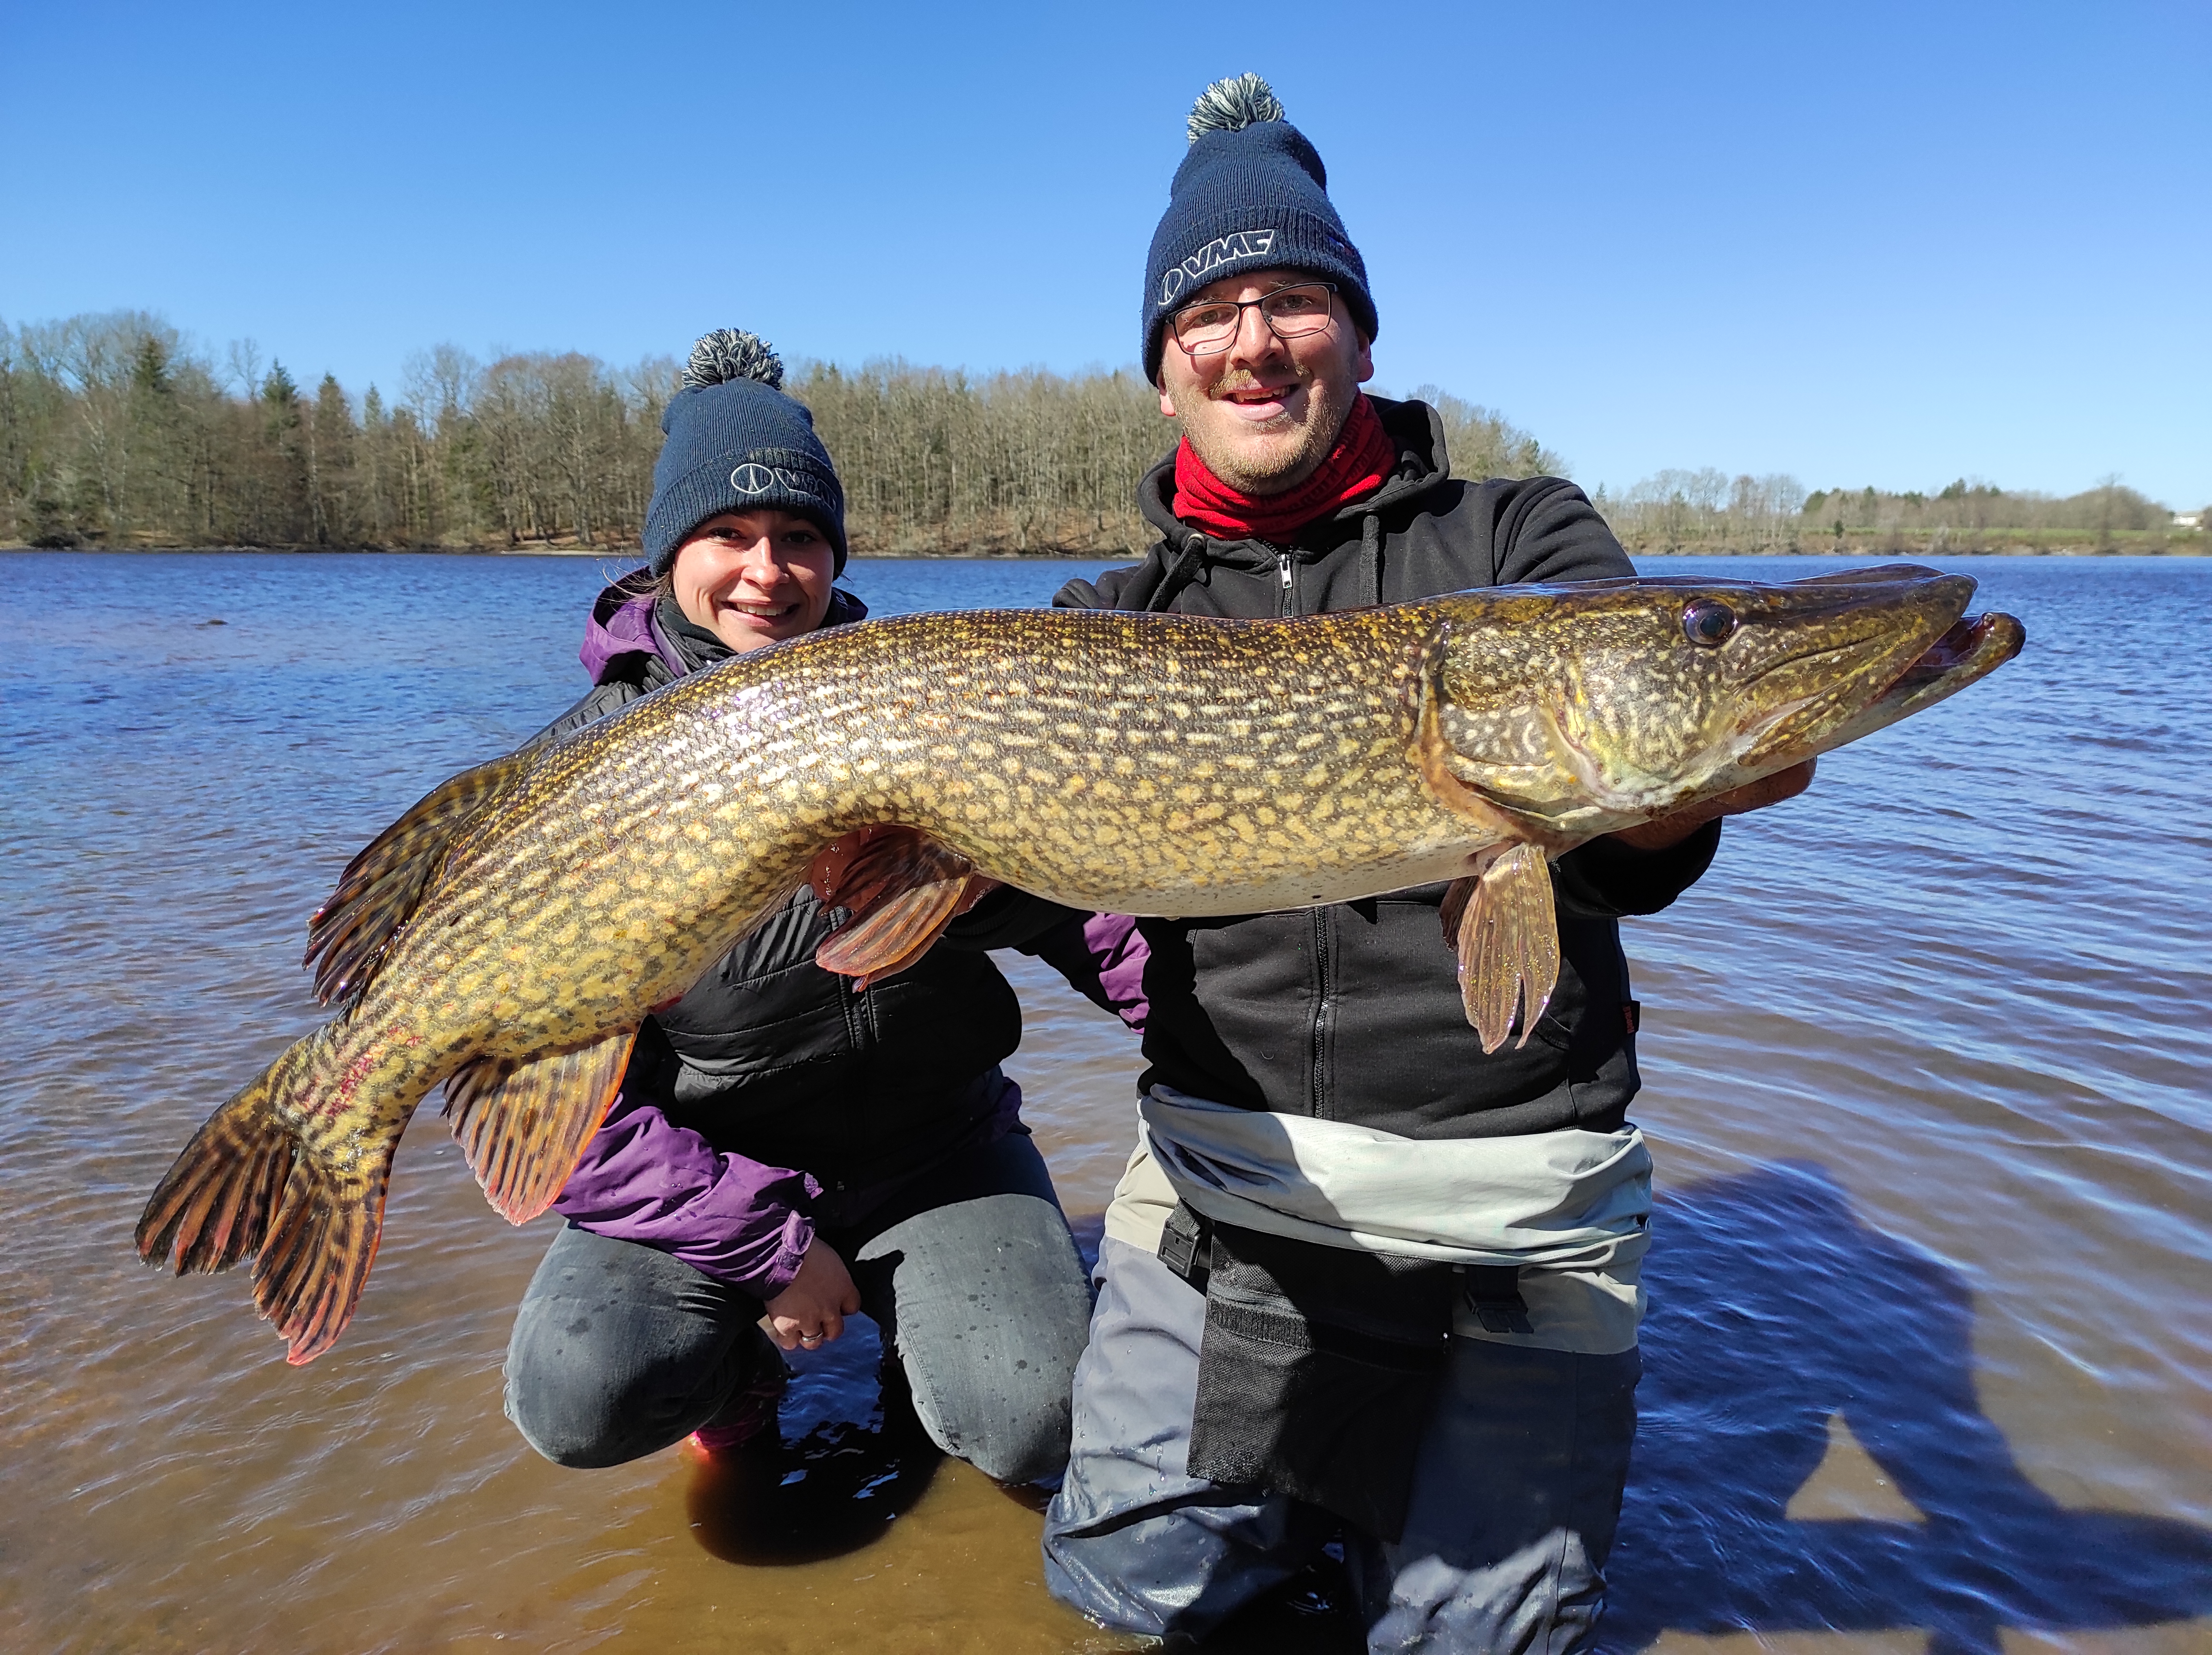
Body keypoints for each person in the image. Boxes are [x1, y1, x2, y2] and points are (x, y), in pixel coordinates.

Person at [1037, 76, 1814, 1652]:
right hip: (1226, 1192)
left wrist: (1676, 793)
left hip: (1516, 1215)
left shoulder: (1523, 542)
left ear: (1365, 337)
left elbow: (1621, 856)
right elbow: (1014, 901)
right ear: (1164, 369)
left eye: (1297, 299)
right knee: (1130, 1613)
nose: (1255, 339)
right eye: (1214, 312)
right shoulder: (1102, 625)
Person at [501, 329, 1094, 1486]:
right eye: (727, 534)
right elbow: (545, 1107)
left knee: (1038, 1418)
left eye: (799, 537)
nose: (766, 570)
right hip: (712, 1169)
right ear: (669, 552)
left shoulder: (931, 704)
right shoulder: (583, 773)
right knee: (582, 1389)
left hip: (939, 1149)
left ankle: (926, 1369)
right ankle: (736, 1377)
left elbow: (1096, 907)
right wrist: (763, 1246)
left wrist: (1213, 1037)